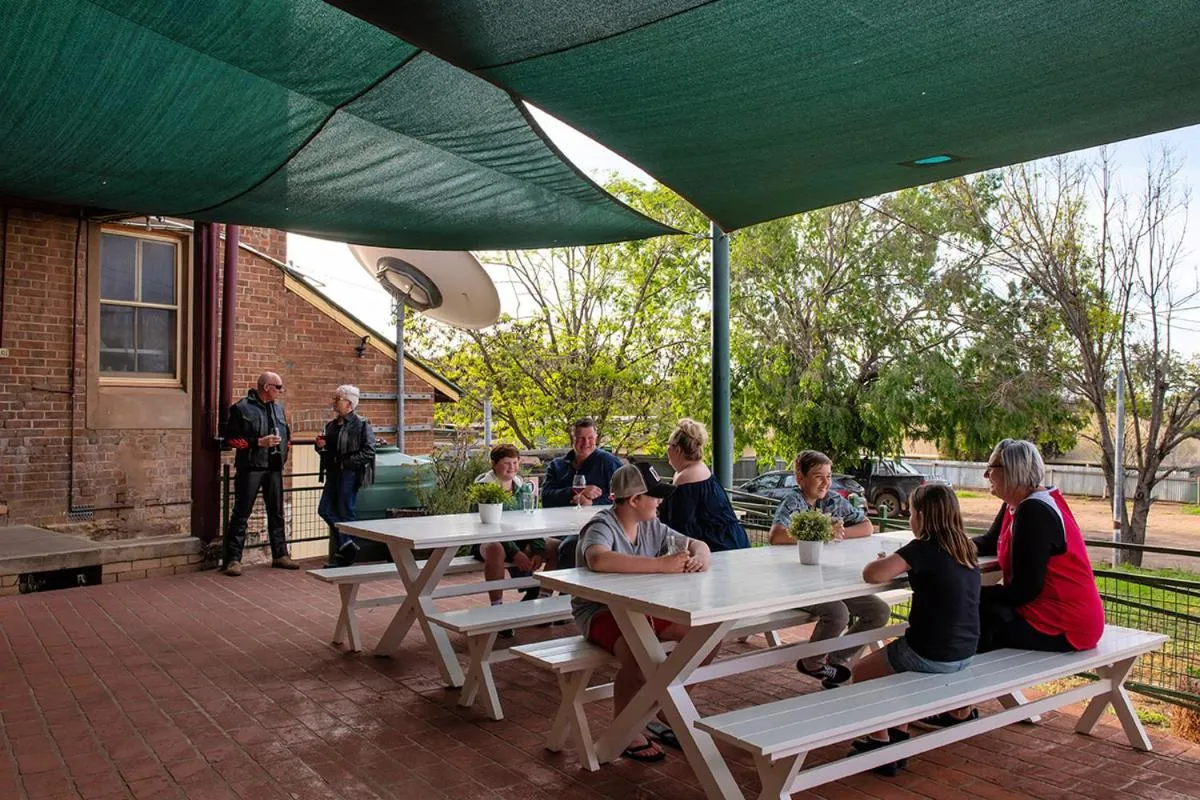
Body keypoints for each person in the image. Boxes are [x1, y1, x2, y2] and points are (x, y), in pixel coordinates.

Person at [923, 438, 1105, 728]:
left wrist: (968, 595)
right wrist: (936, 549)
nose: (986, 476)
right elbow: (988, 543)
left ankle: (954, 707)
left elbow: (1024, 591)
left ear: (1012, 472)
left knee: (967, 616)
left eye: (991, 468)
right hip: (1053, 613)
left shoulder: (1034, 512)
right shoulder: (1019, 504)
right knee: (969, 612)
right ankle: (957, 704)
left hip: (1063, 623)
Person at [572, 462, 712, 763]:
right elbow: (598, 559)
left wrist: (699, 557)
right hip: (600, 611)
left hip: (644, 607)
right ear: (634, 500)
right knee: (639, 654)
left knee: (706, 637)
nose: (660, 502)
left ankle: (658, 707)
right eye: (655, 496)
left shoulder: (652, 526)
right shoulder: (603, 525)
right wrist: (661, 566)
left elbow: (697, 544)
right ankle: (626, 729)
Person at [848, 484, 981, 776]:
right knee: (899, 671)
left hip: (929, 652)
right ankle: (897, 732)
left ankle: (879, 741)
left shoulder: (921, 549)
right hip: (965, 651)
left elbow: (872, 574)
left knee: (860, 672)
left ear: (920, 516)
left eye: (911, 510)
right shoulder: (966, 548)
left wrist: (886, 562)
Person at [768, 450, 889, 687]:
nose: (826, 482)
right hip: (797, 582)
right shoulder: (794, 501)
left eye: (829, 476)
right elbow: (776, 535)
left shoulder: (834, 500)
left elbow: (867, 527)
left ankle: (837, 661)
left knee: (879, 612)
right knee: (838, 613)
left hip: (833, 580)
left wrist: (840, 534)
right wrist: (823, 533)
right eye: (818, 476)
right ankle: (812, 662)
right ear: (800, 478)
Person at [472, 444, 560, 624]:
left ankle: (543, 600)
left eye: (515, 462)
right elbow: (487, 528)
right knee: (495, 549)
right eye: (506, 463)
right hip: (488, 542)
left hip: (520, 540)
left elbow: (531, 519)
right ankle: (498, 609)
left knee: (557, 546)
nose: (512, 467)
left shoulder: (523, 487)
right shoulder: (484, 487)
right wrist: (515, 553)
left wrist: (537, 549)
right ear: (494, 464)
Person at [222, 372, 299, 576]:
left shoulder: (279, 409)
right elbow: (230, 440)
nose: (281, 391)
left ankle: (280, 554)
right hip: (251, 468)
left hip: (274, 468)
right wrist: (258, 443)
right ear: (266, 387)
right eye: (278, 387)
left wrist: (284, 451)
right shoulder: (241, 408)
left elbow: (287, 436)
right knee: (241, 513)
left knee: (277, 512)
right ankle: (233, 559)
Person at [542, 417, 625, 568]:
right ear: (572, 439)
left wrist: (592, 503)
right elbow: (546, 497)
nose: (585, 443)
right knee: (535, 548)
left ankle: (566, 591)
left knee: (570, 547)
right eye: (580, 438)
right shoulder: (557, 465)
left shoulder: (609, 463)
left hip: (596, 526)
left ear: (596, 438)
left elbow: (624, 497)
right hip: (559, 527)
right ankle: (540, 591)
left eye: (590, 438)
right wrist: (574, 493)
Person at [658, 418, 749, 552]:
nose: (667, 450)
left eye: (669, 444)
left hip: (720, 547)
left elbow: (681, 528)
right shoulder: (695, 470)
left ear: (677, 449)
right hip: (730, 542)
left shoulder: (686, 478)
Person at [315, 385, 376, 568]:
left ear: (349, 403)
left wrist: (346, 463)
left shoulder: (362, 424)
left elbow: (369, 451)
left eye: (338, 399)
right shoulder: (331, 425)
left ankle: (344, 555)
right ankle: (348, 545)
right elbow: (326, 450)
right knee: (324, 510)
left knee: (345, 512)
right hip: (333, 473)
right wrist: (319, 446)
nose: (334, 402)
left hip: (349, 474)